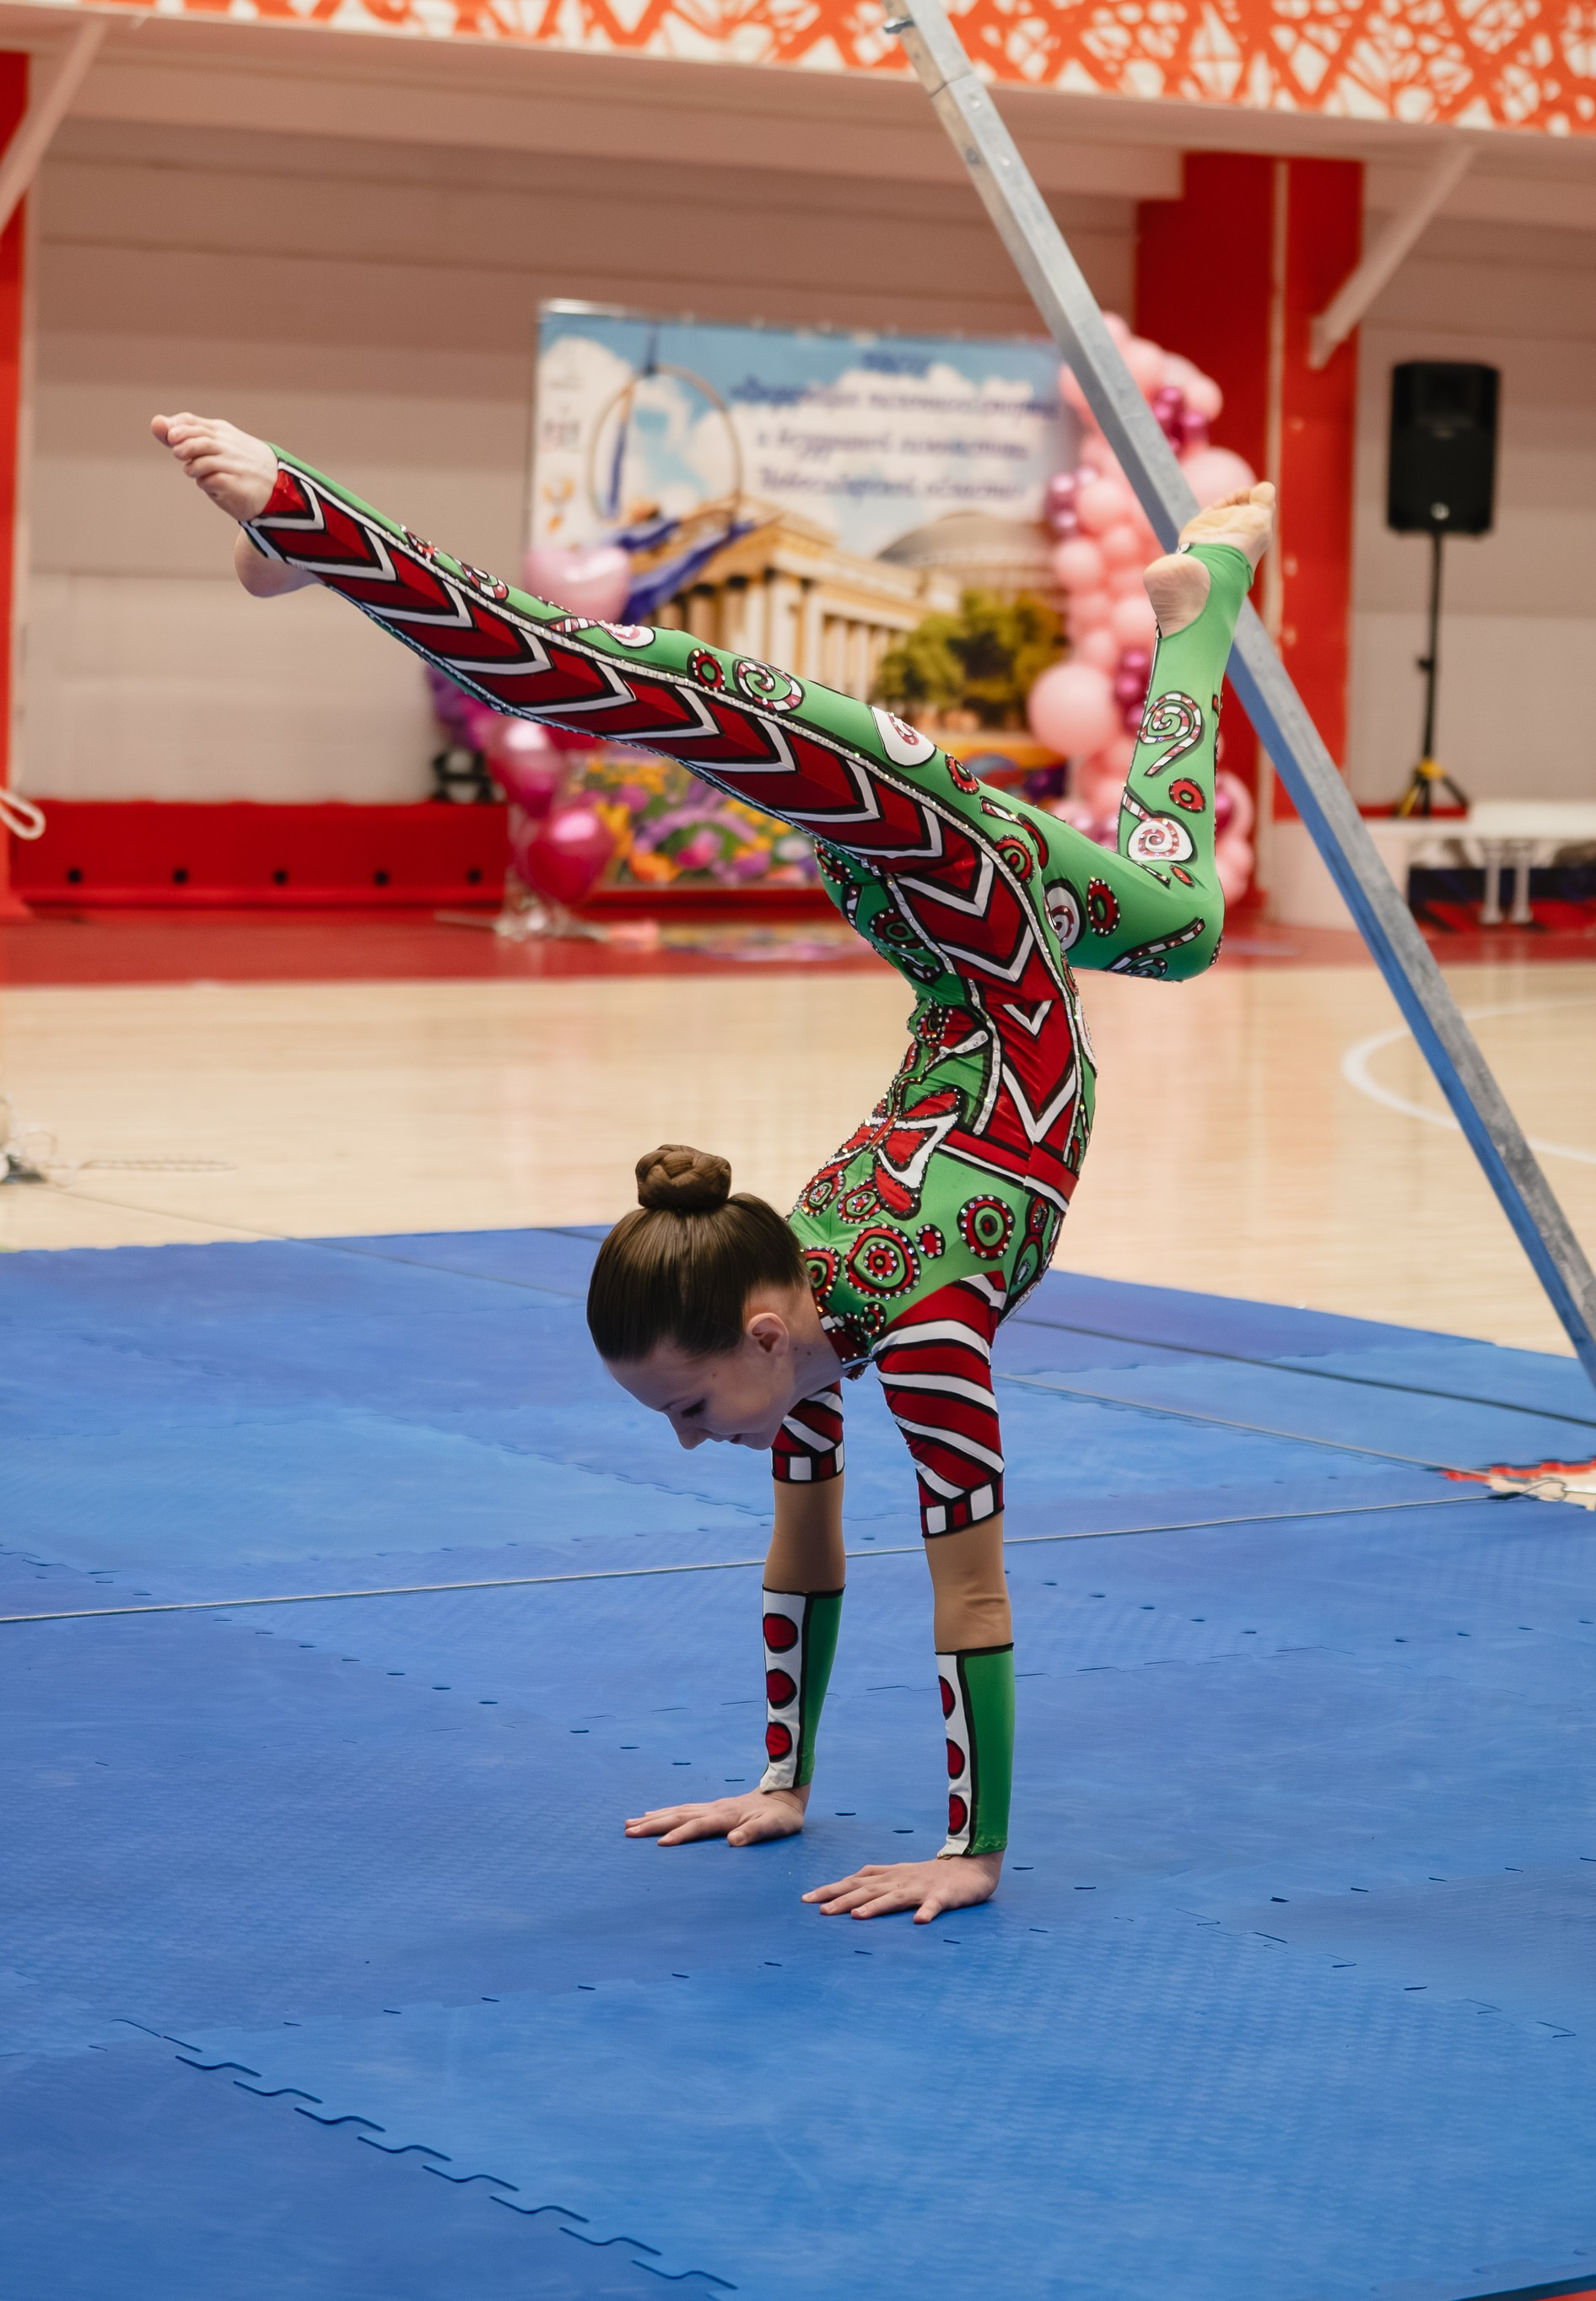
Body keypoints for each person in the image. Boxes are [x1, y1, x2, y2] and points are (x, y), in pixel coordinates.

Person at [151, 409, 1275, 1923]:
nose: (688, 1442)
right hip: (961, 930)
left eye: (682, 1410)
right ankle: (316, 533)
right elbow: (879, 1575)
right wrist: (783, 1787)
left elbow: (947, 1584)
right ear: (770, 1330)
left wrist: (971, 1856)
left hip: (940, 866)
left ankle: (314, 520)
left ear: (756, 1327)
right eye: (683, 1412)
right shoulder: (868, 1324)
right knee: (1171, 918)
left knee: (589, 679)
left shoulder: (824, 1313)